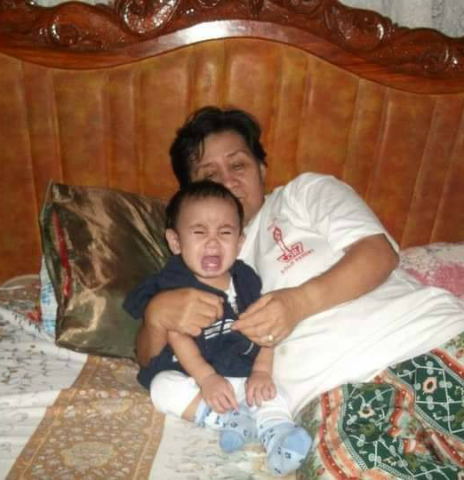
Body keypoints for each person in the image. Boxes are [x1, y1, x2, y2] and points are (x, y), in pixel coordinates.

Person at [133, 107, 464, 468]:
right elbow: (151, 362)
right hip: (332, 400)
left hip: (425, 338)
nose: (228, 181)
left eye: (238, 165)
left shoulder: (302, 194)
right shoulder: (193, 265)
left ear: (261, 169)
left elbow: (379, 254)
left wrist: (297, 304)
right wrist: (156, 316)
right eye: (210, 174)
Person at [124, 180, 312, 477]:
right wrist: (207, 379)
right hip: (194, 377)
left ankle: (278, 434)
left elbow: (266, 326)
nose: (213, 243)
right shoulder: (172, 283)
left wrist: (262, 371)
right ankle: (224, 419)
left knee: (273, 392)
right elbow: (176, 334)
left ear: (239, 242)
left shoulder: (246, 279)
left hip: (243, 372)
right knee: (162, 387)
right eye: (199, 232)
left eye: (225, 233)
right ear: (175, 242)